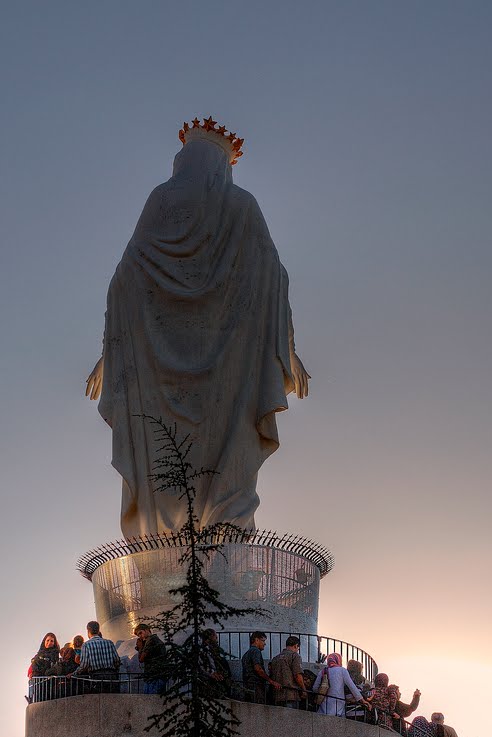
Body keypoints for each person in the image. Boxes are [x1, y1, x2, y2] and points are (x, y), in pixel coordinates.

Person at [86, 117, 310, 538]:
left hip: (198, 359)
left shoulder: (166, 201)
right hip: (223, 363)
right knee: (217, 466)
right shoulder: (240, 204)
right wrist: (285, 346)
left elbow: (125, 280)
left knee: (179, 463)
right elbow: (272, 277)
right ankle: (207, 559)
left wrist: (111, 349)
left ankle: (220, 571)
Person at [312, 653, 365, 717]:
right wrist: (362, 700)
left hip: (324, 706)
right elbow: (352, 687)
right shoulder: (342, 670)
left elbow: (315, 688)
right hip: (339, 706)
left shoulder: (323, 671)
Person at [74, 621, 121, 693]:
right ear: (98, 630)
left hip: (96, 677)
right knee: (113, 700)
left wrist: (74, 673)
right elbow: (117, 661)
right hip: (112, 676)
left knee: (99, 700)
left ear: (88, 630)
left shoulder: (86, 645)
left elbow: (84, 665)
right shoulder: (109, 643)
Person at [268, 636, 307, 709]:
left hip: (276, 696)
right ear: (296, 646)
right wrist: (304, 690)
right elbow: (297, 676)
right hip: (290, 695)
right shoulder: (294, 656)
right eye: (298, 648)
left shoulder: (275, 658)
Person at [134, 624, 168, 694]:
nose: (140, 636)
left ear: (147, 630)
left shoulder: (151, 640)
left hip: (154, 677)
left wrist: (140, 648)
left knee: (149, 701)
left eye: (140, 633)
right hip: (158, 675)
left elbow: (141, 659)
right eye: (138, 635)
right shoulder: (155, 639)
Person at [241, 631, 273, 704]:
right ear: (256, 640)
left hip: (247, 686)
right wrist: (271, 681)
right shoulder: (256, 651)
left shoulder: (246, 654)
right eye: (263, 641)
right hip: (256, 686)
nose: (264, 643)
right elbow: (258, 669)